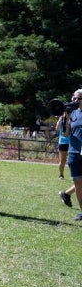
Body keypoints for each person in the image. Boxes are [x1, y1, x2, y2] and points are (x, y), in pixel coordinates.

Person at [60, 89, 82, 221]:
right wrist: (65, 120)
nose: (75, 101)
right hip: (74, 152)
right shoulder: (71, 113)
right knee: (78, 183)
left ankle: (66, 194)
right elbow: (66, 134)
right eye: (74, 98)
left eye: (79, 99)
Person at [57, 110, 76, 208]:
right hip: (63, 142)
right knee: (62, 160)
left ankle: (74, 178)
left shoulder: (73, 119)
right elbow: (58, 129)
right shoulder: (62, 119)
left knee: (70, 161)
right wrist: (61, 121)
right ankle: (61, 174)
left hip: (72, 143)